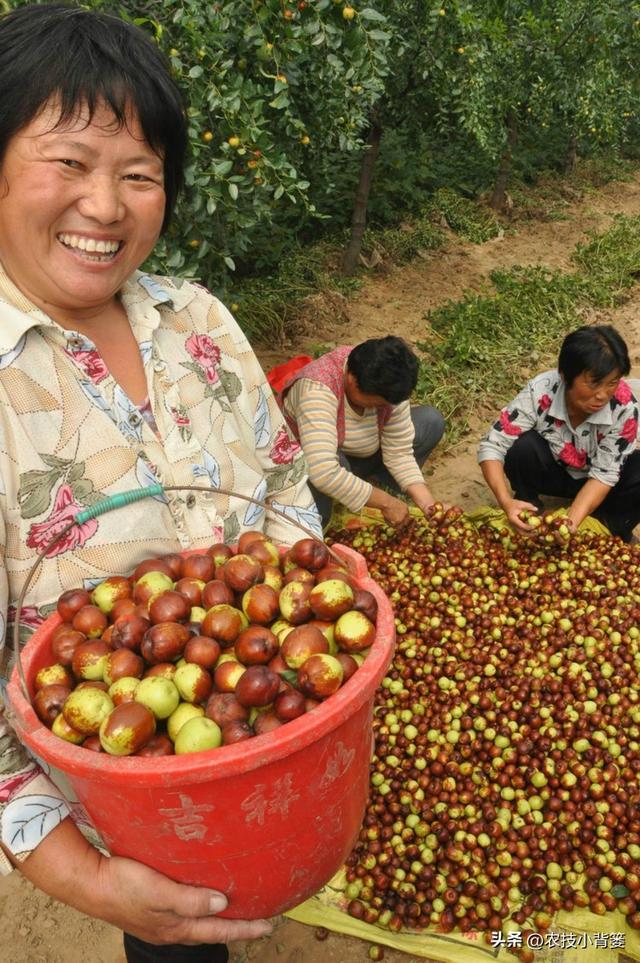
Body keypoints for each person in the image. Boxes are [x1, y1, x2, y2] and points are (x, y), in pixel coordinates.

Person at [0, 4, 322, 962]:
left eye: (139, 174)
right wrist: (85, 877)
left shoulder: (199, 321)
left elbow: (287, 494)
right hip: (130, 817)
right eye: (68, 160)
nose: (106, 205)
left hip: (278, 720)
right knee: (181, 944)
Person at [478, 324, 640, 541]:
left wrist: (570, 522)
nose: (603, 395)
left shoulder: (624, 407)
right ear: (565, 375)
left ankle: (610, 525)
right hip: (556, 472)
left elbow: (604, 474)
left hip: (601, 484)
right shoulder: (541, 391)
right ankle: (527, 504)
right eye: (594, 383)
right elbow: (492, 445)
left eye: (612, 383)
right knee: (521, 446)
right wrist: (505, 501)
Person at [280, 337, 446, 527]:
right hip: (306, 465)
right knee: (333, 470)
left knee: (429, 421)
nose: (380, 408)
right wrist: (386, 503)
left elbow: (399, 453)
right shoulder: (317, 389)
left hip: (360, 459)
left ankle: (368, 490)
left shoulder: (390, 384)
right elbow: (323, 472)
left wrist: (429, 505)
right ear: (351, 380)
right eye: (376, 403)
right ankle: (327, 510)